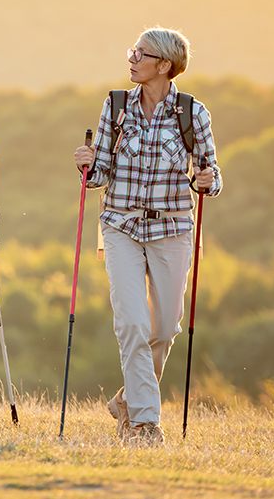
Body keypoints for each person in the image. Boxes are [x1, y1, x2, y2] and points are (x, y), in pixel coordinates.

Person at [73, 27, 221, 444]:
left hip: (173, 228)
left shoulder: (193, 114)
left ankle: (126, 399)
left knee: (166, 327)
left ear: (164, 65)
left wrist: (208, 179)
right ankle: (143, 422)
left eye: (141, 53)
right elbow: (99, 173)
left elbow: (209, 175)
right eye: (132, 50)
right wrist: (86, 165)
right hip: (120, 225)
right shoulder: (116, 105)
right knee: (132, 324)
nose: (132, 58)